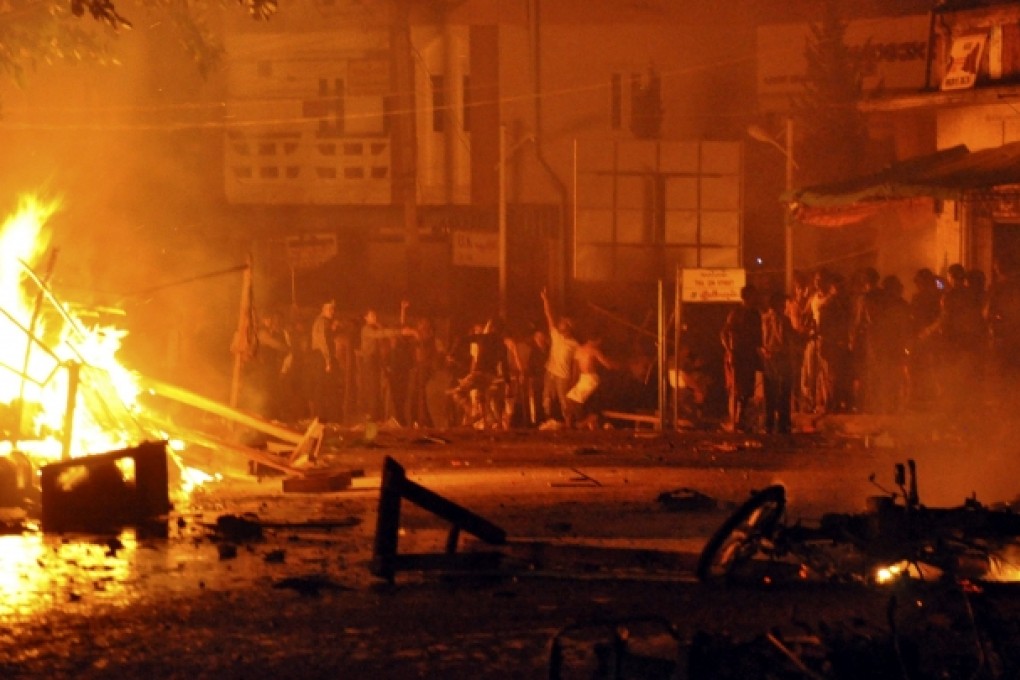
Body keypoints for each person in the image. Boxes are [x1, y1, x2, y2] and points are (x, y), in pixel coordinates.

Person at [721, 284, 762, 433]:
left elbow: (758, 337)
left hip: (749, 357)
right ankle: (735, 420)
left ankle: (742, 420)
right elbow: (725, 333)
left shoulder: (755, 314)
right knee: (737, 389)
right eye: (754, 295)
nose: (756, 298)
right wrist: (730, 351)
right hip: (737, 355)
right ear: (747, 297)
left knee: (748, 390)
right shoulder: (736, 313)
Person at [539, 288, 579, 429]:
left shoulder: (575, 344)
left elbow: (576, 365)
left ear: (568, 327)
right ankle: (548, 421)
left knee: (564, 401)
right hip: (550, 371)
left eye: (563, 323)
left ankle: (569, 425)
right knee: (546, 398)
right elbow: (549, 316)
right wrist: (545, 300)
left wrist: (574, 380)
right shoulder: (556, 335)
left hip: (563, 375)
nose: (559, 324)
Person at [564, 332, 616, 429]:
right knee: (569, 399)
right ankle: (579, 423)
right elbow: (608, 365)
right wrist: (616, 365)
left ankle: (582, 422)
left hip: (589, 379)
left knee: (574, 400)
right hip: (588, 379)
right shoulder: (593, 351)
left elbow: (575, 369)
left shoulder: (579, 350)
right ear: (596, 340)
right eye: (599, 342)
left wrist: (572, 381)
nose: (600, 344)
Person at [760, 291, 794, 434]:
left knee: (770, 392)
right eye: (783, 303)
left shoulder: (763, 318)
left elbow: (760, 339)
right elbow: (788, 337)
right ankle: (783, 422)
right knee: (784, 391)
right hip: (782, 357)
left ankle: (769, 423)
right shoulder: (783, 319)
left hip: (767, 358)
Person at [308, 300, 338, 422]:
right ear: (323, 309)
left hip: (322, 356)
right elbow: (323, 342)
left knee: (323, 386)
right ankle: (318, 417)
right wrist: (327, 360)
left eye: (333, 309)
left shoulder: (326, 323)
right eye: (330, 309)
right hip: (320, 356)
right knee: (320, 386)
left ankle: (321, 417)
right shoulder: (322, 322)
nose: (332, 312)